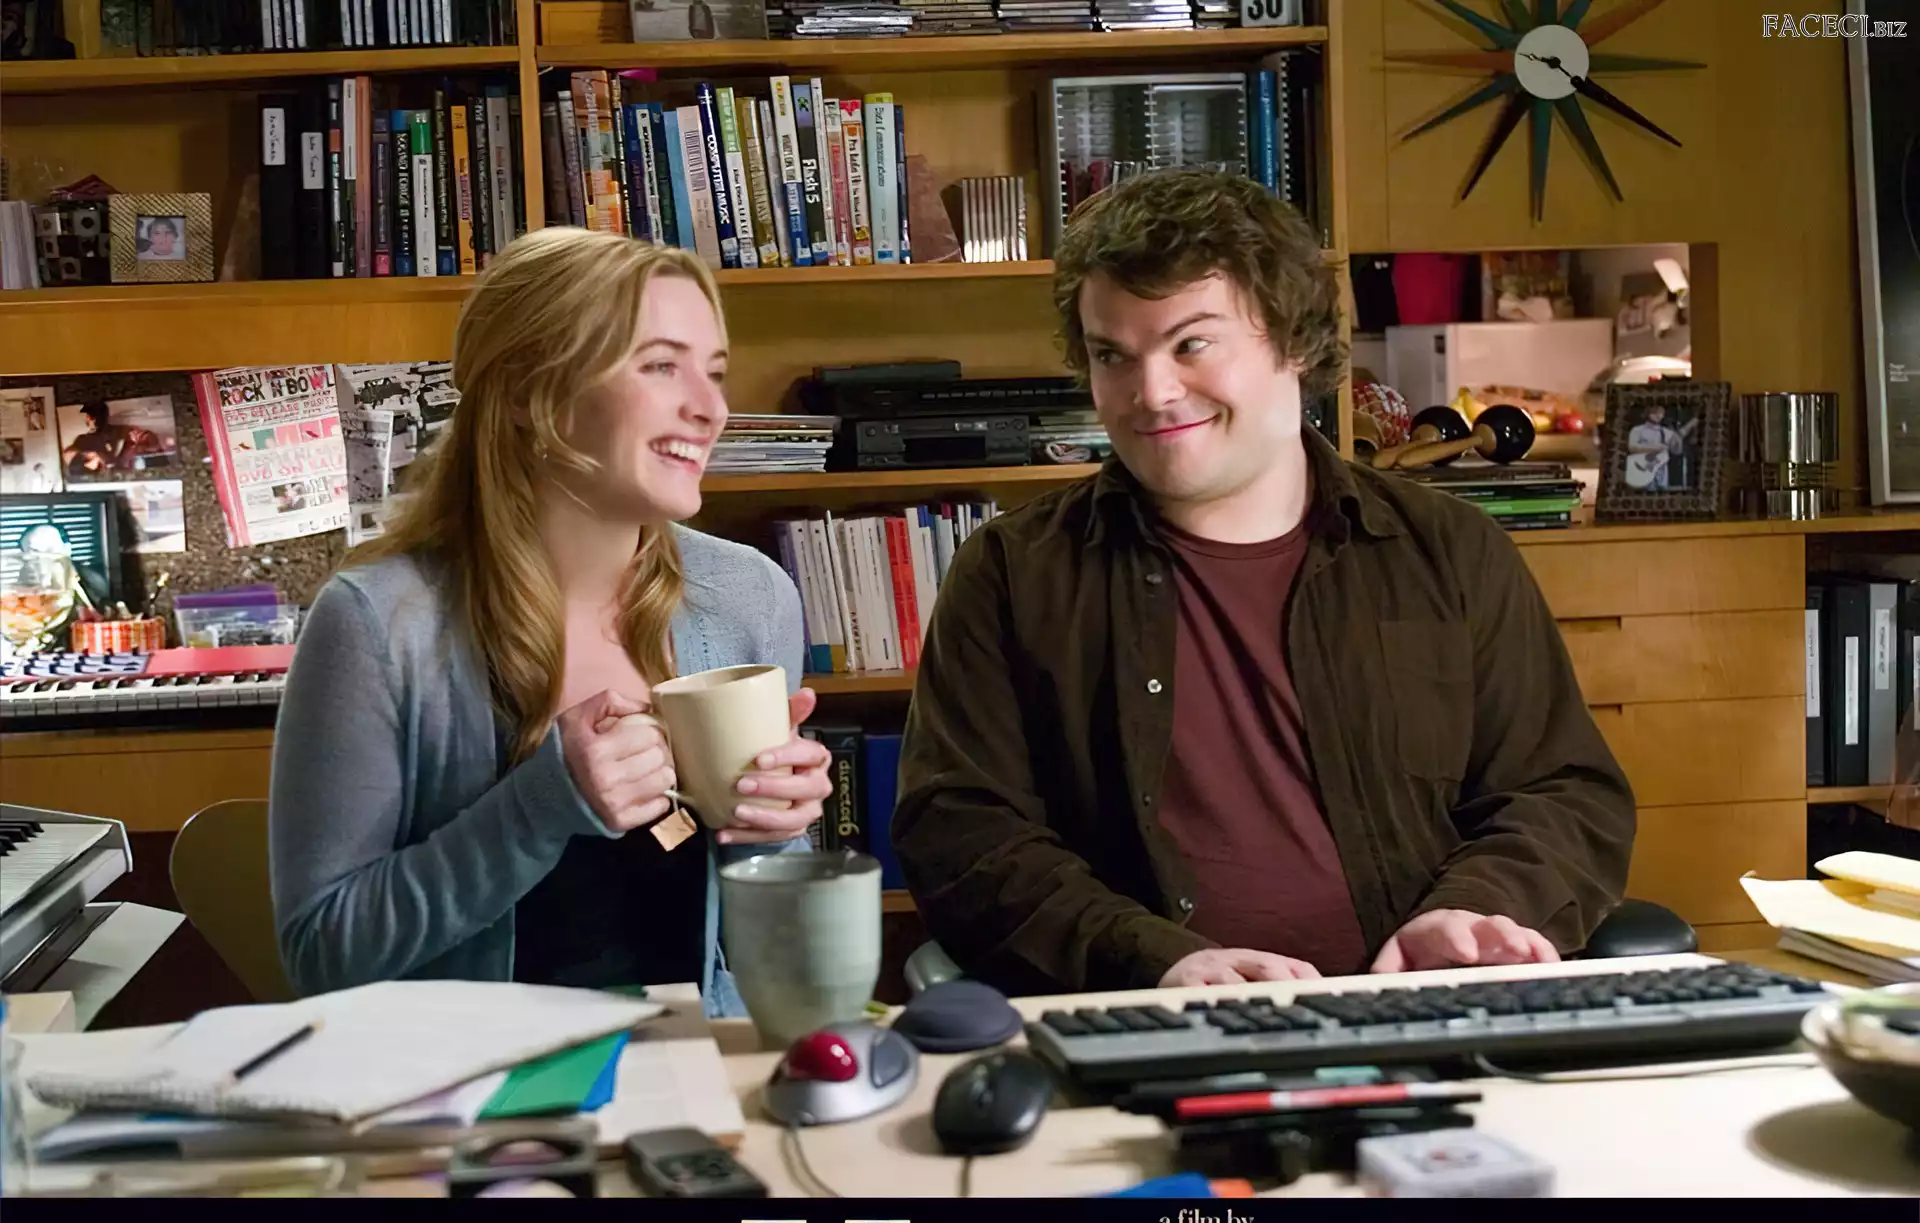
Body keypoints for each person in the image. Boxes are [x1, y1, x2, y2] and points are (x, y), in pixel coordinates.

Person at [891, 170, 1635, 996]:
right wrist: (1154, 957)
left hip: (1425, 1010)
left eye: (1192, 344)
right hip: (1151, 1021)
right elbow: (961, 835)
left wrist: (1473, 911)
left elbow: (1561, 792)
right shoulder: (1011, 573)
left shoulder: (1450, 550)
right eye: (1112, 356)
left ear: (1294, 341)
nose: (1151, 393)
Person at [270, 228, 833, 1014]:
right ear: (531, 393)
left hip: (697, 1064)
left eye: (713, 372)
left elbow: (784, 960)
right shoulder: (378, 623)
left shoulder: (750, 597)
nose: (711, 409)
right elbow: (322, 957)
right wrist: (537, 809)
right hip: (472, 1079)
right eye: (661, 366)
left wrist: (774, 835)